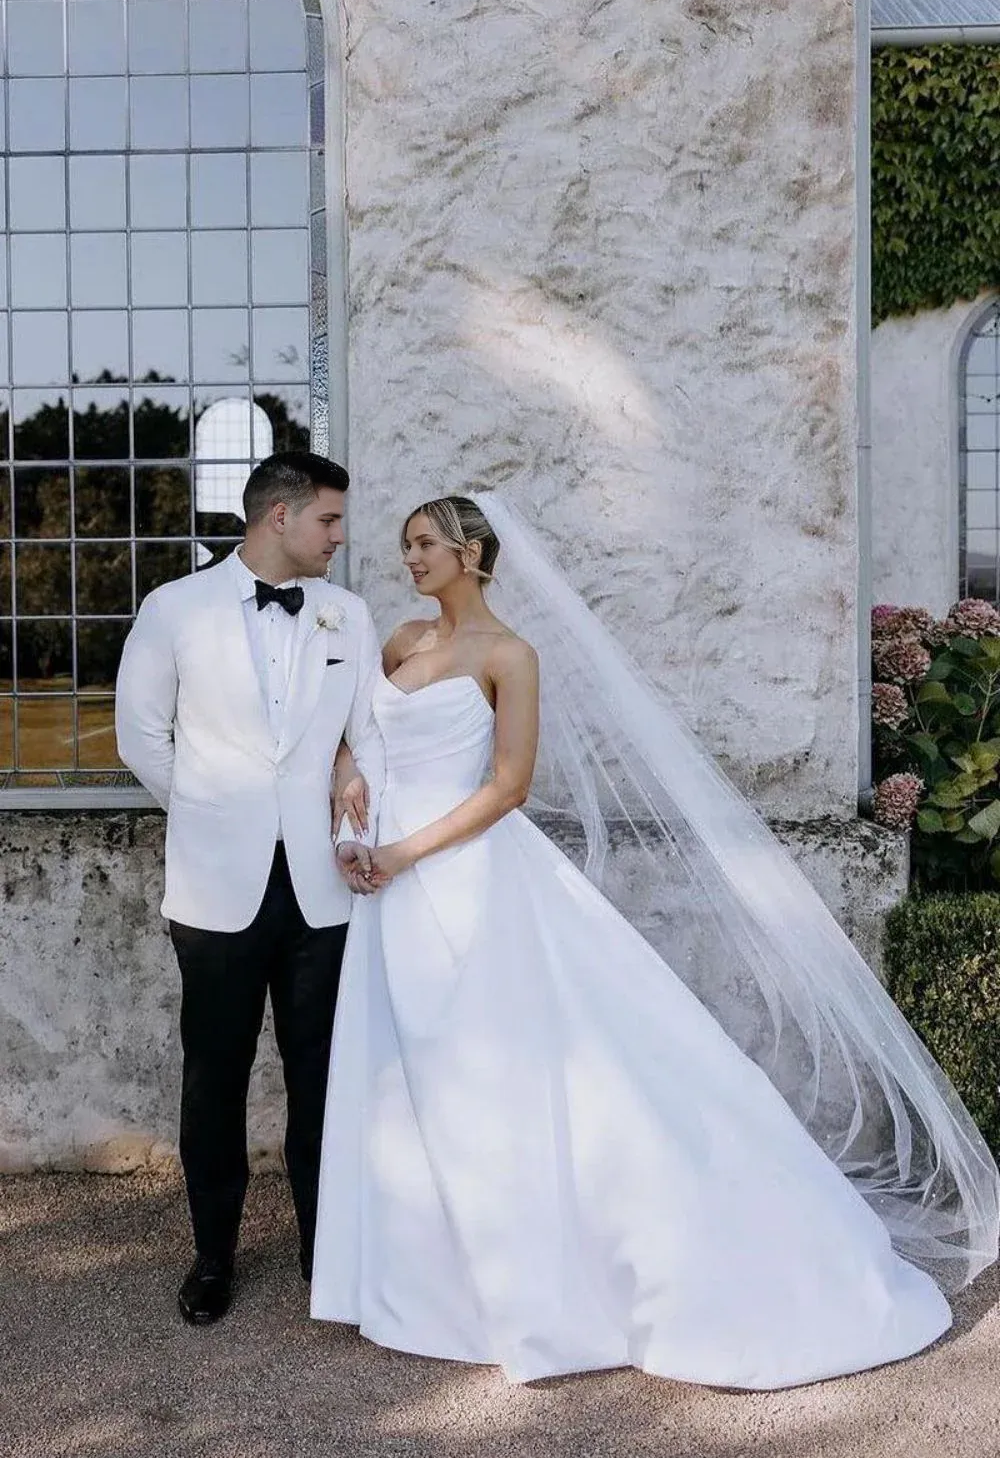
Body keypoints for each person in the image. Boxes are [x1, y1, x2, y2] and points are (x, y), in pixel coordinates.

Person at [311, 493, 999, 1389]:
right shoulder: (400, 642)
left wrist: (404, 850)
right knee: (409, 1066)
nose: (410, 559)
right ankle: (426, 1274)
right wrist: (349, 772)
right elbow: (353, 732)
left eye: (425, 544)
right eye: (406, 546)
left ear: (473, 553)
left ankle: (537, 1282)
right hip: (386, 883)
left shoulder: (511, 655)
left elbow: (510, 785)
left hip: (462, 872)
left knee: (505, 1063)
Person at [115, 451, 384, 1326]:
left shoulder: (349, 615)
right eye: (330, 522)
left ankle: (324, 1252)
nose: (341, 538)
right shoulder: (175, 609)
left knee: (323, 1074)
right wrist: (212, 809)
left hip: (323, 891)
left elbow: (366, 738)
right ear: (280, 517)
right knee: (215, 1074)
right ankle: (213, 1257)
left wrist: (349, 821)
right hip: (213, 888)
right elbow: (138, 737)